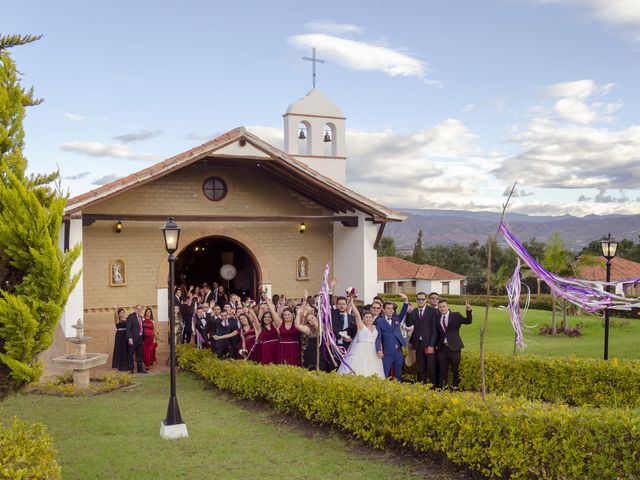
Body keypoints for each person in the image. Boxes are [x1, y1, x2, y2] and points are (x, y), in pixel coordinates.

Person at [338, 303, 385, 379]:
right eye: (366, 317)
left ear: (373, 319)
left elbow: (378, 340)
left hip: (373, 351)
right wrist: (352, 303)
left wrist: (380, 350)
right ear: (363, 318)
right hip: (361, 349)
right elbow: (357, 315)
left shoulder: (376, 327)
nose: (368, 319)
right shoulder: (361, 326)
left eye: (370, 317)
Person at [435, 299, 472, 389]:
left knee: (455, 370)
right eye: (440, 307)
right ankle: (443, 388)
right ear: (438, 308)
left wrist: (468, 311)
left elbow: (468, 321)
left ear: (447, 306)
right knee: (442, 370)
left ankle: (456, 388)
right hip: (442, 349)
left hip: (454, 348)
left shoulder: (456, 315)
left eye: (444, 306)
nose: (442, 308)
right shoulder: (437, 318)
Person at [406, 292, 438, 386]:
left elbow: (435, 330)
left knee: (431, 367)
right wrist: (408, 313)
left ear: (426, 300)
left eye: (422, 299)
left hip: (429, 344)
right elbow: (409, 325)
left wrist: (432, 345)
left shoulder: (432, 311)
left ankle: (433, 387)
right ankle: (420, 386)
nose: (420, 301)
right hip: (418, 344)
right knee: (420, 367)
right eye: (418, 299)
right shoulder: (414, 312)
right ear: (416, 300)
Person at [375, 301, 408, 380]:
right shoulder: (379, 321)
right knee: (385, 374)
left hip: (398, 352)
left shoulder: (396, 318)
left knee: (398, 374)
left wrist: (406, 302)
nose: (391, 310)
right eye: (388, 309)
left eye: (392, 309)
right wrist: (378, 349)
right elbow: (378, 337)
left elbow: (403, 313)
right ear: (384, 310)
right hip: (387, 352)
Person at [329, 296, 357, 370]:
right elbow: (328, 304)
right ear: (337, 305)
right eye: (340, 304)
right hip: (335, 345)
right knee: (335, 366)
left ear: (347, 305)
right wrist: (331, 290)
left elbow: (356, 333)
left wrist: (351, 340)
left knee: (347, 367)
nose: (341, 306)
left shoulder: (352, 318)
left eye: (343, 304)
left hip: (348, 346)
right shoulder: (333, 315)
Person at [270, 300, 301, 366]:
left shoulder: (296, 323)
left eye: (288, 314)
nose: (287, 316)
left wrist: (304, 300)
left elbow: (302, 312)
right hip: (282, 348)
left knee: (294, 366)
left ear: (292, 315)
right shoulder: (280, 323)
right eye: (285, 315)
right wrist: (267, 300)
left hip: (294, 349)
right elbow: (273, 312)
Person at [125, 304, 147, 374]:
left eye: (140, 309)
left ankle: (139, 369)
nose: (139, 310)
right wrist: (129, 338)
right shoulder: (131, 316)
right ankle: (131, 369)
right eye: (138, 309)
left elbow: (141, 328)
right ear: (135, 309)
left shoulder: (141, 317)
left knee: (139, 355)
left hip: (140, 338)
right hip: (133, 339)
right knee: (131, 354)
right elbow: (128, 328)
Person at [111, 306, 128, 371]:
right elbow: (115, 316)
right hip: (119, 336)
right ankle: (120, 365)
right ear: (118, 314)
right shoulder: (117, 319)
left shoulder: (126, 319)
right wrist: (116, 310)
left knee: (125, 350)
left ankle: (126, 365)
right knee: (120, 350)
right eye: (120, 312)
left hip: (126, 335)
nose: (122, 314)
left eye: (123, 312)